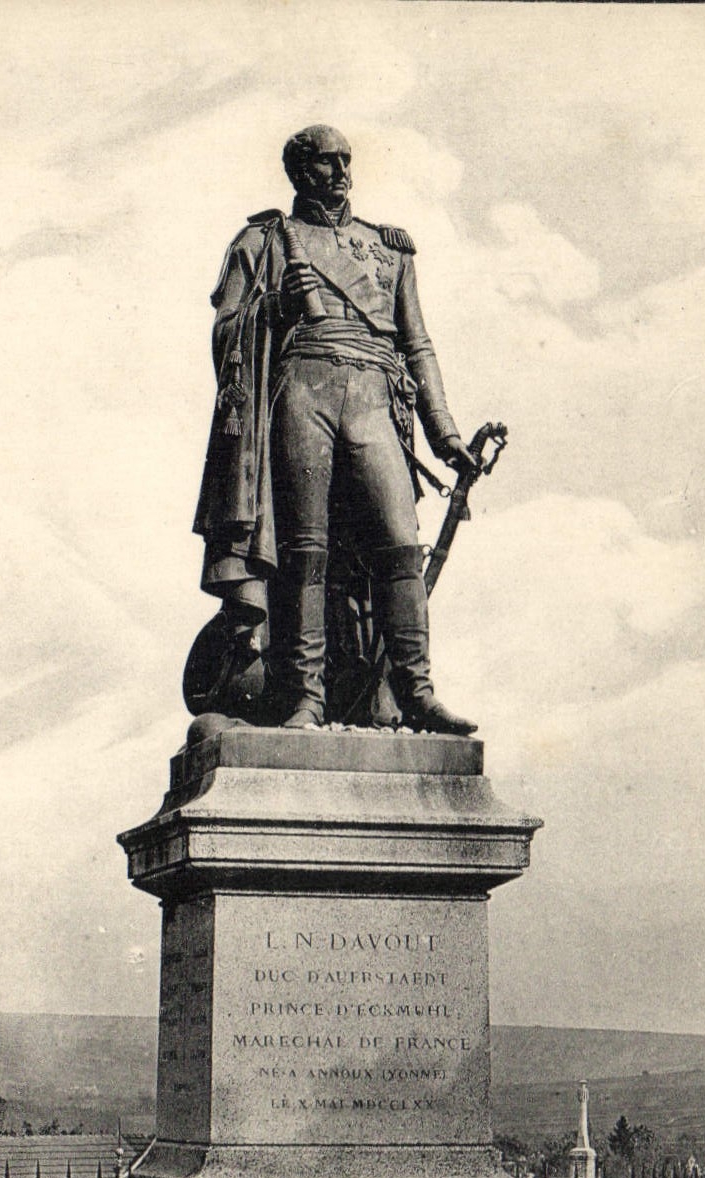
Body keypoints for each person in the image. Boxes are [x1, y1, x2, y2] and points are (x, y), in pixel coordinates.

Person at [192, 124, 477, 734]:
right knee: (305, 550)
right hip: (304, 390)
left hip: (376, 396)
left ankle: (416, 690)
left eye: (347, 159)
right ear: (299, 171)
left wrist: (444, 434)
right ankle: (306, 698)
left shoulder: (390, 248)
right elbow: (224, 332)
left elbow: (417, 344)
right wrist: (276, 308)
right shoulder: (266, 241)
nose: (341, 170)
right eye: (326, 162)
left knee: (399, 544)